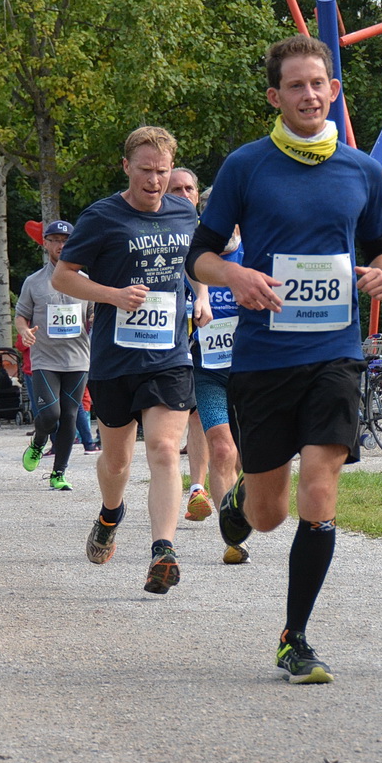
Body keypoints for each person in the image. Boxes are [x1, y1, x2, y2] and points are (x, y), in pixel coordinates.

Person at [187, 34, 382, 683]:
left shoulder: (361, 170)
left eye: (320, 84)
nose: (311, 95)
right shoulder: (247, 167)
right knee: (270, 512)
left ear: (334, 91)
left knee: (320, 491)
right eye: (297, 86)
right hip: (265, 356)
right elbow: (200, 253)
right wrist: (235, 279)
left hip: (335, 353)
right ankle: (242, 501)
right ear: (275, 97)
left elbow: (381, 248)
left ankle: (295, 637)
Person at [52, 126, 198, 595]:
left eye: (162, 172)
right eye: (145, 171)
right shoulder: (102, 217)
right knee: (116, 463)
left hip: (170, 356)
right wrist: (113, 295)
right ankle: (110, 513)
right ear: (126, 167)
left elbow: (202, 261)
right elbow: (62, 278)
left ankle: (163, 551)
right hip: (116, 359)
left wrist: (209, 291)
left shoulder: (184, 212)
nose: (155, 181)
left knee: (162, 450)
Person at [183, 183, 248, 563]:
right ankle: (233, 538)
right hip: (208, 372)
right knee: (222, 449)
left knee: (250, 461)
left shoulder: (253, 253)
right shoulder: (192, 260)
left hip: (252, 373)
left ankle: (245, 507)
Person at [15, 220, 92, 491]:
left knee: (70, 415)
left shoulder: (85, 282)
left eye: (66, 240)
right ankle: (38, 442)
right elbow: (21, 316)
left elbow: (93, 316)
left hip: (78, 359)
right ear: (45, 243)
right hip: (45, 358)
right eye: (55, 240)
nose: (61, 245)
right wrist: (24, 332)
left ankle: (59, 473)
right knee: (50, 414)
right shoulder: (34, 282)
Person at [167, 167, 218, 526]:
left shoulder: (215, 233)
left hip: (218, 336)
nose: (184, 195)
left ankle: (206, 487)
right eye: (176, 189)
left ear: (197, 195)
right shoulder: (157, 234)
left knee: (210, 418)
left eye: (189, 189)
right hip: (175, 340)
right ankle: (189, 487)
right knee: (187, 417)